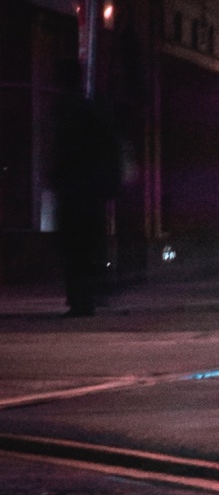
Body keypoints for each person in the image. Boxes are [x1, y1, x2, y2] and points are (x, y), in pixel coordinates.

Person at [51, 56, 120, 316]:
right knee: (86, 247)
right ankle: (85, 298)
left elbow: (66, 151)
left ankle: (81, 299)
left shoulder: (69, 109)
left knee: (74, 248)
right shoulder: (88, 108)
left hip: (76, 192)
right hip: (88, 193)